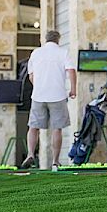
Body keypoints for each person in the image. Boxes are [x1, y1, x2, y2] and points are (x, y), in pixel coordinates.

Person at [20, 30, 77, 170]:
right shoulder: (63, 52)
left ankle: (30, 154)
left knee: (33, 127)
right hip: (57, 95)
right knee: (56, 129)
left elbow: (31, 76)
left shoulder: (36, 53)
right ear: (58, 40)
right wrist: (73, 89)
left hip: (38, 95)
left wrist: (39, 86)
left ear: (45, 39)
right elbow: (71, 71)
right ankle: (55, 161)